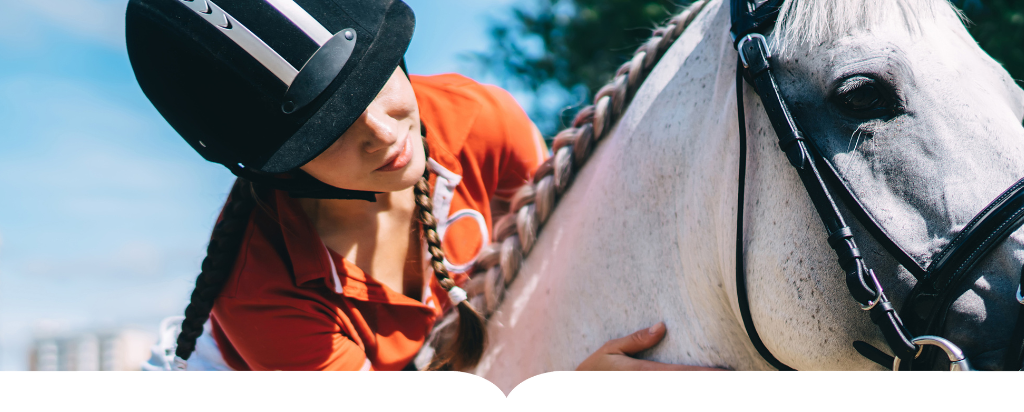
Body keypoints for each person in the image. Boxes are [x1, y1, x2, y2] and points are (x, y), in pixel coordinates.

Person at [127, 0, 716, 372]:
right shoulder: (260, 294)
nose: (384, 134)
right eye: (328, 132)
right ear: (278, 169)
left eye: (377, 81)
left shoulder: (482, 120)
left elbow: (573, 278)